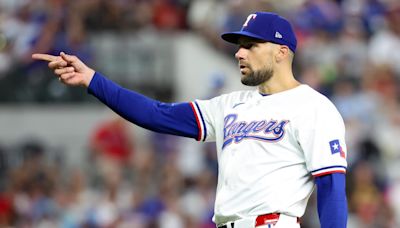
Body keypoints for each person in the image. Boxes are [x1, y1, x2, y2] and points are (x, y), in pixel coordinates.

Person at [32, 12, 347, 228]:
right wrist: (92, 79)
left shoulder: (313, 107)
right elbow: (156, 114)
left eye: (251, 46)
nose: (240, 53)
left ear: (281, 52)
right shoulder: (229, 105)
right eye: (239, 47)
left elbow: (331, 186)